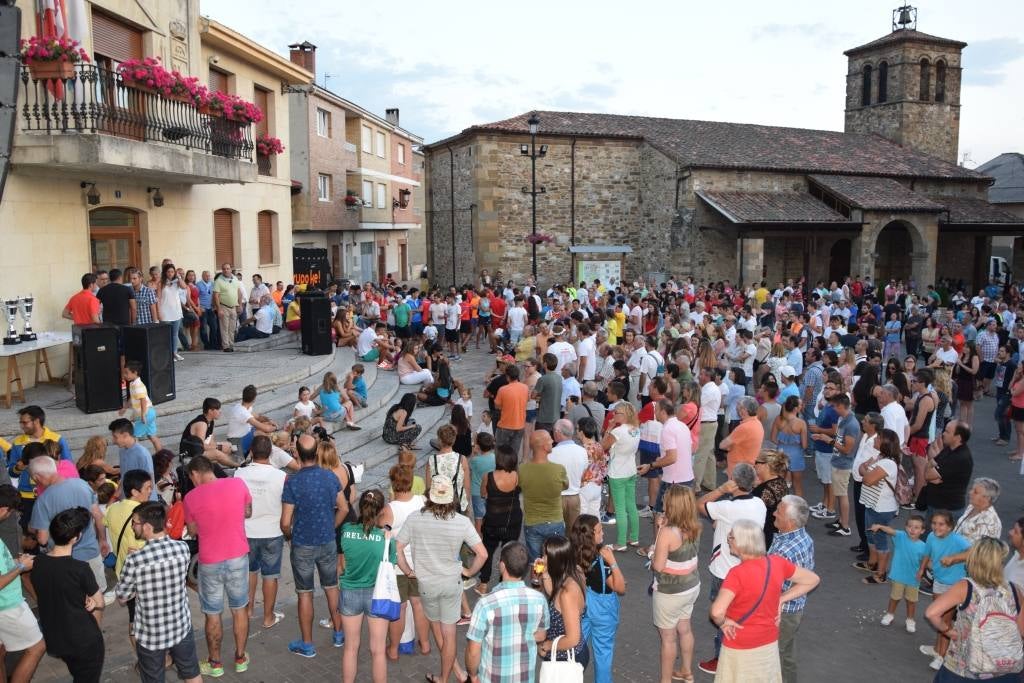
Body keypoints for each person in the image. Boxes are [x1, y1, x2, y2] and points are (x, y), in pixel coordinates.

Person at [396, 475, 488, 683]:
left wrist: (408, 570)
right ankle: (448, 676)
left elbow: (398, 548)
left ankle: (447, 677)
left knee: (436, 629)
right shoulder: (462, 522)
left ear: (430, 495)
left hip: (427, 585)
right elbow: (482, 554)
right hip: (452, 584)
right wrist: (468, 572)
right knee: (450, 634)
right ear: (450, 497)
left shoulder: (415, 518)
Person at [708, 519, 821, 682]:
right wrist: (781, 599)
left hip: (739, 643)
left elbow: (717, 611)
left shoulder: (737, 574)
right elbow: (812, 579)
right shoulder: (777, 562)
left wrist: (723, 623)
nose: (727, 539)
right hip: (768, 643)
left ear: (741, 543)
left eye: (731, 537)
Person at [115, 501, 202, 683]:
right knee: (192, 674)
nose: (132, 526)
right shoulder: (182, 548)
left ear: (147, 527)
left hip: (151, 634)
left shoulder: (136, 560)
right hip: (181, 625)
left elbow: (122, 597)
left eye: (135, 523)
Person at [183, 455, 252, 676]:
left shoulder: (191, 497)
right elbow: (248, 512)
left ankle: (215, 663)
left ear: (195, 473)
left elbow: (192, 531)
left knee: (213, 613)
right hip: (237, 557)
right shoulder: (237, 483)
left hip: (210, 561)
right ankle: (241, 658)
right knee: (239, 608)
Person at [281, 434, 348, 657]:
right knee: (331, 587)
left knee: (305, 593)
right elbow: (344, 508)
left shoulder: (293, 481)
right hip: (327, 540)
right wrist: (331, 525)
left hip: (302, 544)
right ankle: (339, 633)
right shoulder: (330, 477)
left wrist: (289, 536)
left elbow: (284, 521)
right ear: (317, 452)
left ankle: (307, 644)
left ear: (297, 454)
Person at [696, 462, 766, 674]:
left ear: (735, 483)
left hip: (724, 570)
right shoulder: (759, 504)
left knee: (723, 616)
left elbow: (700, 505)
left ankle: (722, 659)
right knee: (742, 613)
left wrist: (720, 490)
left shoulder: (727, 507)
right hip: (749, 568)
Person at [925, 537, 1024, 682]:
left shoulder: (967, 587)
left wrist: (949, 632)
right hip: (1006, 669)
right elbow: (1021, 631)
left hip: (965, 668)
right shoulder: (1015, 590)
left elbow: (931, 613)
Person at [31, 507, 105, 682]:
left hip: (56, 639)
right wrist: (93, 603)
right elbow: (100, 602)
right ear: (75, 538)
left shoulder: (38, 562)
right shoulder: (80, 569)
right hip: (82, 641)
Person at [465, 542, 550, 683]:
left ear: (502, 565)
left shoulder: (485, 604)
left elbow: (473, 651)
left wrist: (473, 675)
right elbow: (541, 636)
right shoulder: (539, 600)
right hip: (524, 677)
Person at [28, 457, 109, 597]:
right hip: (91, 553)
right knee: (96, 598)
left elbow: (42, 539)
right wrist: (102, 540)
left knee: (74, 600)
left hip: (63, 562)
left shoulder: (43, 501)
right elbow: (98, 516)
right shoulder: (83, 484)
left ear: (37, 477)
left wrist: (32, 530)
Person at [339, 489, 395, 683]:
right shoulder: (386, 539)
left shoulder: (346, 531)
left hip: (350, 592)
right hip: (377, 594)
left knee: (350, 648)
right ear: (380, 511)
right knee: (378, 650)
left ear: (360, 507)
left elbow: (343, 564)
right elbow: (391, 565)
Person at [234, 435, 287, 629]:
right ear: (271, 453)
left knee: (249, 572)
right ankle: (268, 616)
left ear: (252, 452)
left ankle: (248, 611)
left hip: (246, 532)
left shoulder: (239, 474)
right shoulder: (281, 476)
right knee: (270, 575)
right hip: (272, 531)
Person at [651, 485, 702, 683]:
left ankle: (666, 680)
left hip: (669, 592)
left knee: (668, 639)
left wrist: (653, 548)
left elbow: (658, 565)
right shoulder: (695, 526)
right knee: (685, 629)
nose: (662, 501)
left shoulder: (668, 533)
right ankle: (686, 671)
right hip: (691, 586)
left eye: (665, 499)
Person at [103, 469, 152, 655]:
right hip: (145, 575)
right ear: (134, 491)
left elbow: (103, 523)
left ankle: (140, 657)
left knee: (133, 617)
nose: (150, 491)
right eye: (147, 488)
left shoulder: (112, 508)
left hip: (124, 573)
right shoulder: (144, 514)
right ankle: (154, 656)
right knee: (149, 618)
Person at [572, 514, 625, 683]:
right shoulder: (603, 559)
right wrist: (613, 562)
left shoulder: (574, 554)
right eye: (600, 531)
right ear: (590, 536)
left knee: (576, 646)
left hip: (582, 605)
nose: (603, 533)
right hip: (604, 610)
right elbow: (620, 587)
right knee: (603, 653)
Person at [768, 495, 815, 683]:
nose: (774, 513)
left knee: (771, 658)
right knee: (786, 653)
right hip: (794, 608)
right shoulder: (803, 536)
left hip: (781, 613)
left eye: (778, 511)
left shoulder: (784, 550)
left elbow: (770, 585)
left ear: (789, 521)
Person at [384, 464, 430, 659]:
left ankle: (394, 648)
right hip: (420, 563)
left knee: (400, 607)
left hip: (398, 567)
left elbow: (383, 535)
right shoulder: (423, 501)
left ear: (393, 484)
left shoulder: (390, 509)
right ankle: (425, 643)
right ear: (411, 482)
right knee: (419, 604)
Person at [0, 485, 45, 683]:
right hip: (7, 605)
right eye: (10, 512)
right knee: (37, 646)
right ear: (4, 509)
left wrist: (16, 563)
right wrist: (20, 567)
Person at [919, 510, 973, 671]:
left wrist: (955, 558)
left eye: (941, 524)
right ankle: (937, 648)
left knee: (945, 620)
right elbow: (927, 554)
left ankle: (942, 656)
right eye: (934, 523)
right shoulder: (930, 536)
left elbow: (974, 552)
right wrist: (921, 570)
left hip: (954, 586)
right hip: (939, 581)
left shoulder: (957, 540)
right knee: (939, 617)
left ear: (950, 527)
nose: (936, 527)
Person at [537, 535, 590, 670]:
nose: (541, 559)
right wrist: (545, 573)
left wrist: (547, 645)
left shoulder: (567, 594)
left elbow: (572, 638)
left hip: (564, 658)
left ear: (555, 559)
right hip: (572, 653)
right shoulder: (576, 571)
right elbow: (554, 595)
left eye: (544, 556)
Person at [856, 428, 902, 584]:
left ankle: (881, 573)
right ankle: (872, 563)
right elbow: (862, 469)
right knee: (870, 534)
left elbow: (867, 479)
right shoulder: (881, 458)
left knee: (880, 538)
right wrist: (866, 471)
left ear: (885, 442)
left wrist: (866, 471)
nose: (875, 440)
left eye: (878, 438)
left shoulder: (887, 463)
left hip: (882, 508)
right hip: (872, 503)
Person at [477, 445, 523, 594]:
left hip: (493, 521)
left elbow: (483, 494)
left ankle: (483, 584)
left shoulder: (488, 476)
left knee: (488, 551)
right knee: (509, 552)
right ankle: (504, 584)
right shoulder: (517, 476)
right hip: (512, 521)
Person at [871, 514, 927, 633]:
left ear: (922, 531)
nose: (912, 529)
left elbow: (925, 562)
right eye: (910, 526)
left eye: (917, 527)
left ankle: (910, 620)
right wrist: (880, 526)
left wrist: (926, 571)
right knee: (895, 597)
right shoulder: (901, 536)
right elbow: (891, 530)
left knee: (911, 601)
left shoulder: (924, 547)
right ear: (905, 527)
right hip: (898, 576)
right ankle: (890, 614)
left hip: (913, 578)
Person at [520, 430, 569, 560]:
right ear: (542, 445)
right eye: (549, 439)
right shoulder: (558, 469)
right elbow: (565, 485)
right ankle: (552, 581)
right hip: (555, 522)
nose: (552, 441)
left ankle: (536, 581)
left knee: (535, 563)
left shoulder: (522, 470)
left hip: (532, 523)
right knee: (556, 561)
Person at [602, 401, 641, 551]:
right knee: (631, 504)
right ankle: (634, 537)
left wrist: (609, 428)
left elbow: (603, 446)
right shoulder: (636, 429)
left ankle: (621, 542)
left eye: (616, 413)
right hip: (631, 470)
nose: (613, 415)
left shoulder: (618, 432)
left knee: (620, 508)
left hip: (617, 472)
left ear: (624, 415)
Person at [922, 421, 974, 521]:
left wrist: (930, 467)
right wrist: (930, 466)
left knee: (933, 536)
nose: (943, 434)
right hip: (938, 506)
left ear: (958, 437)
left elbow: (928, 475)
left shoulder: (959, 457)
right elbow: (931, 466)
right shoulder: (950, 449)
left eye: (947, 431)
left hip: (946, 511)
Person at [549, 418, 588, 532]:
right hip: (575, 497)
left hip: (556, 498)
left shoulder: (552, 453)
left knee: (555, 534)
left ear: (557, 432)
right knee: (573, 533)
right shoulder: (582, 451)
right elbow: (583, 474)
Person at [108, 417, 157, 500]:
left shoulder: (142, 454)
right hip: (127, 499)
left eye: (115, 437)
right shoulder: (122, 451)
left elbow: (149, 483)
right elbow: (124, 476)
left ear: (125, 435)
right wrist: (115, 497)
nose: (113, 441)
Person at [770, 396, 807, 498]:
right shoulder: (801, 423)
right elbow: (804, 445)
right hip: (796, 454)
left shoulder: (778, 419)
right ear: (795, 408)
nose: (802, 406)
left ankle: (779, 506)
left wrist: (782, 445)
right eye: (800, 404)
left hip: (781, 452)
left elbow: (772, 438)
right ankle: (798, 508)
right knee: (797, 486)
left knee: (779, 484)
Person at [752, 450, 790, 548]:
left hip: (763, 537)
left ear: (766, 465)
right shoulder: (781, 481)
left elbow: (750, 515)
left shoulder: (763, 490)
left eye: (757, 462)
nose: (754, 465)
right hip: (776, 533)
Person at [720, 396, 764, 477]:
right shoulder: (758, 423)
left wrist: (730, 446)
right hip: (748, 466)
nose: (737, 409)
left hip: (738, 469)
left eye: (739, 407)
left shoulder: (744, 427)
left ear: (744, 410)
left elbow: (722, 445)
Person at [494, 364, 529, 457]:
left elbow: (497, 406)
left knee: (500, 454)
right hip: (520, 425)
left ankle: (501, 470)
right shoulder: (525, 388)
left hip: (505, 426)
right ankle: (513, 470)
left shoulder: (503, 390)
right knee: (514, 454)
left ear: (508, 377)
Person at [212, 262, 244, 352]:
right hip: (223, 307)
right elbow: (216, 296)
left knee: (232, 328)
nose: (226, 270)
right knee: (224, 327)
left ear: (230, 269)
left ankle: (231, 344)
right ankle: (226, 346)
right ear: (222, 270)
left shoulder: (234, 278)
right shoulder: (218, 281)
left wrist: (240, 305)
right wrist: (219, 309)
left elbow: (239, 292)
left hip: (233, 307)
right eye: (224, 269)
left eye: (228, 268)